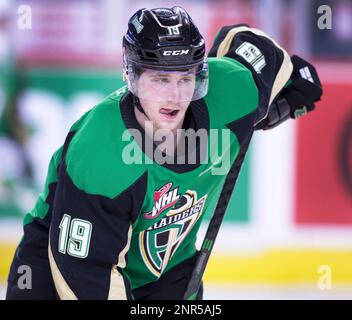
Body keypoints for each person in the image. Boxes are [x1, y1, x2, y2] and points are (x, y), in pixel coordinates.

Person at [6, 6, 322, 300]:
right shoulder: (99, 152)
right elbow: (83, 271)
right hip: (57, 265)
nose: (174, 96)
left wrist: (292, 78)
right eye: (160, 79)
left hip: (167, 270)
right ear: (131, 76)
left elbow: (245, 42)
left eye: (186, 78)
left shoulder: (231, 92)